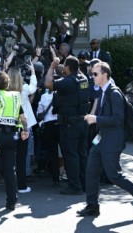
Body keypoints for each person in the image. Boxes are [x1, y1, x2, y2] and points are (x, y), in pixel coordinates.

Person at [78, 62, 133, 218]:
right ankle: (92, 206)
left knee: (113, 175)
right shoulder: (103, 92)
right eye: (92, 74)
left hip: (112, 140)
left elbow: (118, 119)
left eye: (95, 74)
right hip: (101, 139)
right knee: (91, 171)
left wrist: (96, 118)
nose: (93, 77)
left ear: (105, 75)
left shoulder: (114, 93)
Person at [0, 71, 29, 211]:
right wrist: (24, 130)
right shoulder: (15, 96)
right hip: (12, 137)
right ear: (7, 83)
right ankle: (12, 202)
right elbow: (23, 117)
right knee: (9, 169)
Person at [44, 55, 90, 195]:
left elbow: (48, 84)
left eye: (64, 66)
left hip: (70, 124)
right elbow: (76, 71)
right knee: (82, 154)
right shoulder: (83, 79)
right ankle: (84, 184)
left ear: (68, 67)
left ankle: (75, 186)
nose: (62, 68)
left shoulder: (68, 81)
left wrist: (52, 67)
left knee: (71, 155)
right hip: (82, 122)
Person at [8, 65, 37, 194]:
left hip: (9, 125)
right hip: (23, 125)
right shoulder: (24, 89)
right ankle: (21, 185)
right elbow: (34, 87)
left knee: (9, 157)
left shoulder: (6, 90)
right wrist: (33, 72)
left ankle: (10, 185)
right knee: (22, 156)